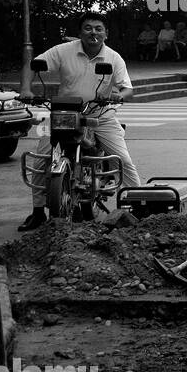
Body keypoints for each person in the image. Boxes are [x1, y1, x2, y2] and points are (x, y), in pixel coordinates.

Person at [18, 13, 142, 231]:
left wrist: (119, 96)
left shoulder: (113, 58)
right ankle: (37, 212)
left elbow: (128, 88)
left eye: (98, 28)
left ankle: (140, 207)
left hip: (100, 115)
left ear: (105, 33)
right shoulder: (62, 51)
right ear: (80, 32)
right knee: (40, 161)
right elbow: (32, 65)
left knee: (122, 160)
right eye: (88, 28)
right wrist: (26, 89)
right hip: (64, 114)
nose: (93, 32)